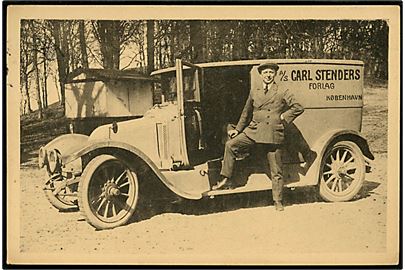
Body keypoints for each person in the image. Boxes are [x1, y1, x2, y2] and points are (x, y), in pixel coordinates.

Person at [211, 62, 304, 211]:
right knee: (231, 145)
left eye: (271, 72)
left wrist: (282, 117)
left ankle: (278, 201)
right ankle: (226, 178)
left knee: (276, 170)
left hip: (272, 133)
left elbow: (298, 107)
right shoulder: (255, 91)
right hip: (253, 130)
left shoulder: (282, 90)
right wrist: (238, 130)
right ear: (261, 75)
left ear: (275, 74)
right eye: (265, 72)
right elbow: (246, 112)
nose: (268, 75)